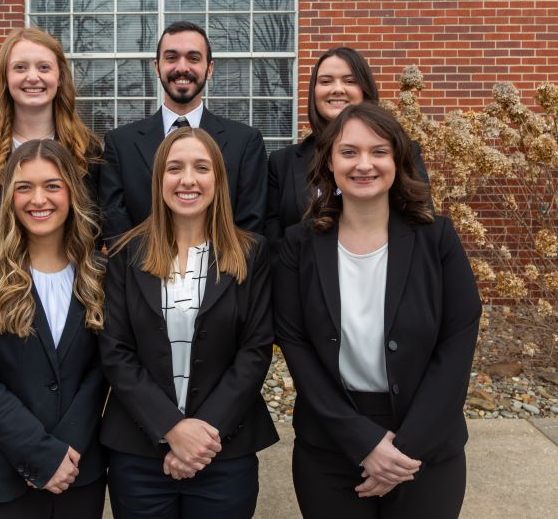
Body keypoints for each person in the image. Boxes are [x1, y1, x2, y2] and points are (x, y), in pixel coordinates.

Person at [273, 101, 481, 518]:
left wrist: (401, 453)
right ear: (329, 163)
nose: (363, 164)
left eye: (378, 151)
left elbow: (457, 344)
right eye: (348, 152)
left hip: (425, 445)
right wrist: (363, 443)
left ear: (397, 161)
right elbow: (295, 345)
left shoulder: (436, 239)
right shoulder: (298, 246)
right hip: (330, 443)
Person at [100, 126, 278, 519]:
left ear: (218, 179)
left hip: (224, 450)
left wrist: (202, 434)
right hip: (140, 452)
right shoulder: (127, 254)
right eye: (174, 168)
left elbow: (255, 350)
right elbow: (116, 353)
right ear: (159, 179)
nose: (187, 180)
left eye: (201, 167)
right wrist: (171, 429)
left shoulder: (250, 253)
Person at [0, 139, 107, 518]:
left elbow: (102, 371)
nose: (39, 199)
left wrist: (62, 454)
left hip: (76, 472)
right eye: (24, 187)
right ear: (8, 197)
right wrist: (39, 453)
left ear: (71, 191)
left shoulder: (100, 273)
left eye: (52, 185)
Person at [0, 27, 102, 268]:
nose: (32, 76)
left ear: (59, 78)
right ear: (5, 78)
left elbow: (95, 231)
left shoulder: (86, 149)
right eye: (20, 67)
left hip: (68, 292)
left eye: (44, 67)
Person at [99, 21, 267, 245]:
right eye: (171, 58)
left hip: (221, 275)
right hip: (141, 275)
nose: (182, 67)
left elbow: (250, 229)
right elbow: (116, 229)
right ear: (157, 67)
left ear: (209, 69)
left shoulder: (245, 142)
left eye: (193, 58)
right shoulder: (120, 144)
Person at [264, 47, 429, 247]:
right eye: (326, 81)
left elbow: (421, 224)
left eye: (350, 81)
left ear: (365, 89)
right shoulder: (282, 163)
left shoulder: (402, 151)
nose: (337, 89)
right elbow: (272, 244)